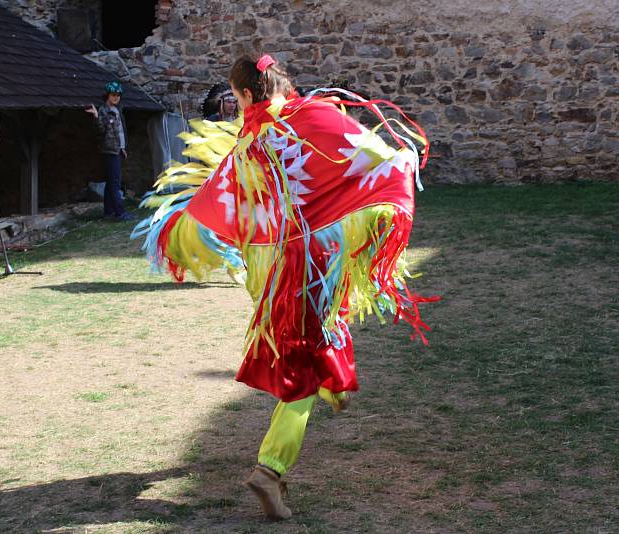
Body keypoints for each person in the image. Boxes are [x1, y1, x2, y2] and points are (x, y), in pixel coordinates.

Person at [133, 54, 434, 520]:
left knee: (319, 332)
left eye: (235, 98)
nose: (235, 107)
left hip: (269, 267)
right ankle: (270, 470)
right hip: (310, 260)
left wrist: (178, 228)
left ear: (248, 94)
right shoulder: (312, 115)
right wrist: (403, 160)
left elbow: (219, 199)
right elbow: (369, 156)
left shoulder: (248, 140)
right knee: (302, 366)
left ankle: (336, 385)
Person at [86, 81, 133, 221]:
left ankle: (108, 212)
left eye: (118, 95)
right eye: (113, 95)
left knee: (111, 182)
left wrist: (122, 148)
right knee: (115, 183)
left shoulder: (117, 110)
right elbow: (100, 131)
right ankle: (120, 213)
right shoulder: (104, 111)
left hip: (117, 150)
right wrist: (95, 116)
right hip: (109, 151)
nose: (116, 98)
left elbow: (119, 132)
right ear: (107, 95)